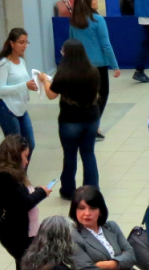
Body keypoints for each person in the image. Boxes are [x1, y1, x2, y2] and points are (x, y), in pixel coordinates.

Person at [39, 39, 100, 199]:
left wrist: (45, 80)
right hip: (91, 118)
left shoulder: (63, 74)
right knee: (88, 153)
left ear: (67, 54)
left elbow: (51, 94)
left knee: (70, 154)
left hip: (70, 120)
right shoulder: (93, 72)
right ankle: (91, 190)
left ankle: (68, 189)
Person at [0, 135, 50, 270]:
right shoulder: (6, 178)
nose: (27, 162)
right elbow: (23, 204)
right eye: (25, 156)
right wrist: (41, 193)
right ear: (15, 156)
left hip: (18, 233)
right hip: (16, 235)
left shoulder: (4, 175)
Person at [69, 0, 121, 140]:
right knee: (102, 95)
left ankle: (84, 126)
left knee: (85, 97)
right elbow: (106, 45)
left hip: (81, 65)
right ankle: (94, 126)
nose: (97, 1)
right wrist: (115, 66)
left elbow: (71, 43)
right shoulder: (97, 20)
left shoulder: (75, 21)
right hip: (98, 66)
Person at [0, 29, 37, 156]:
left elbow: (22, 82)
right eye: (21, 42)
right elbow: (1, 89)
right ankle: (15, 175)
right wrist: (25, 85)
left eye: (26, 42)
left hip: (21, 107)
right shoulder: (3, 64)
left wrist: (33, 84)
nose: (24, 46)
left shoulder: (21, 61)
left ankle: (21, 174)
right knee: (16, 148)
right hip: (7, 108)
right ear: (12, 43)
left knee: (30, 144)